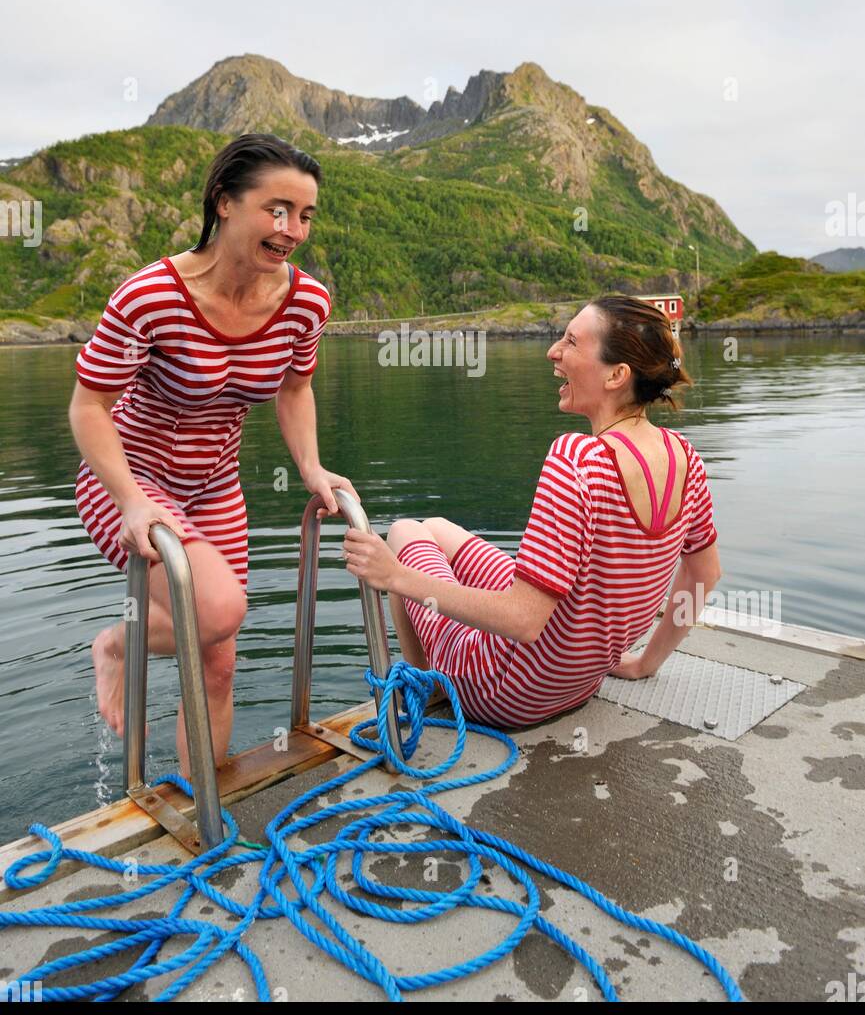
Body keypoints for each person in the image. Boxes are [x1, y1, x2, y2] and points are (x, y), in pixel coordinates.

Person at [70, 133, 358, 774]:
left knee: (221, 655)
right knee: (223, 608)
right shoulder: (150, 297)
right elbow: (88, 409)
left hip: (216, 484)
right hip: (127, 476)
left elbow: (296, 387)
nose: (293, 230)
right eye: (278, 209)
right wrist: (131, 500)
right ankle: (121, 644)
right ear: (224, 203)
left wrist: (310, 467)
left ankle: (208, 813)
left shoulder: (305, 302)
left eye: (306, 215)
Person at [343, 295, 721, 729]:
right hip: (579, 682)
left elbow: (522, 621)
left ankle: (433, 686)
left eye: (571, 343)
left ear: (617, 375)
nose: (553, 352)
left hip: (506, 692)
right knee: (439, 529)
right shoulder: (684, 457)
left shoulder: (578, 458)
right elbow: (703, 575)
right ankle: (436, 674)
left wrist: (396, 577)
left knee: (406, 533)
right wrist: (643, 664)